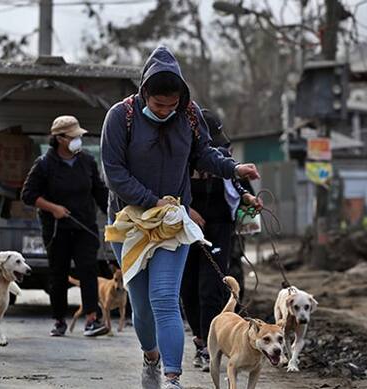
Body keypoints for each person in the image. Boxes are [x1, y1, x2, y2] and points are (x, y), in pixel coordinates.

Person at [100, 46, 260, 389]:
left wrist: (233, 169)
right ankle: (151, 357)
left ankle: (172, 378)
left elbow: (204, 153)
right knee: (141, 306)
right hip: (130, 222)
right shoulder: (119, 117)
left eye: (172, 105)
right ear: (144, 94)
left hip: (172, 222)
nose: (165, 111)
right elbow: (113, 172)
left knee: (164, 298)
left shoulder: (189, 115)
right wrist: (151, 200)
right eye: (158, 106)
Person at [180, 109, 262, 372]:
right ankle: (199, 339)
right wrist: (187, 211)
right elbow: (167, 193)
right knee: (188, 288)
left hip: (219, 229)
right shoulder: (180, 163)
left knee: (212, 287)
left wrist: (249, 200)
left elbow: (238, 186)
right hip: (185, 231)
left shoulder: (224, 162)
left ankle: (209, 345)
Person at [21, 115, 109, 337]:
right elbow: (28, 195)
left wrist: (115, 216)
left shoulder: (87, 161)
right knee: (58, 273)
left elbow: (99, 191)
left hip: (85, 226)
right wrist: (53, 208)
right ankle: (59, 319)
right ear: (60, 139)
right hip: (57, 229)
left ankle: (92, 318)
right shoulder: (44, 164)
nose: (78, 140)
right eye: (73, 136)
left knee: (89, 269)